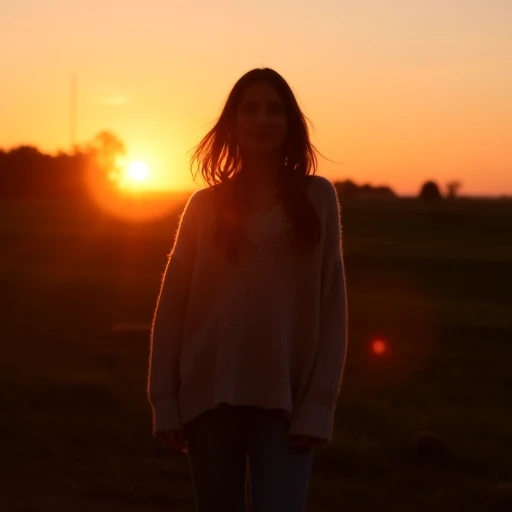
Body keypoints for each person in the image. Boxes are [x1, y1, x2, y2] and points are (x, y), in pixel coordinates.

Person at [147, 67, 348, 512]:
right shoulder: (204, 206)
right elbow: (173, 307)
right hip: (207, 402)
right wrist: (164, 398)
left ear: (290, 123)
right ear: (232, 124)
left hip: (287, 406)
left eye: (274, 110)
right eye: (250, 109)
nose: (262, 120)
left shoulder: (319, 200)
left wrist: (319, 404)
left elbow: (333, 308)